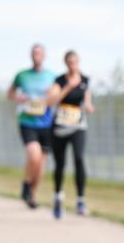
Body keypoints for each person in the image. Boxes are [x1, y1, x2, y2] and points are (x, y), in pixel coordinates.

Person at [46, 50, 95, 219]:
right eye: (69, 62)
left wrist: (89, 107)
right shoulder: (59, 81)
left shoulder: (85, 81)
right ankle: (58, 197)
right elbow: (51, 101)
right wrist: (68, 86)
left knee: (79, 158)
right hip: (59, 127)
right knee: (60, 164)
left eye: (75, 61)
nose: (73, 65)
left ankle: (81, 200)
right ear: (65, 63)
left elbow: (87, 101)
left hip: (78, 126)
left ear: (78, 61)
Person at [8, 44, 56, 209]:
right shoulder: (22, 75)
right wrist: (17, 97)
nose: (37, 55)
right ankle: (27, 183)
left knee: (41, 164)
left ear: (44, 55)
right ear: (31, 55)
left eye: (40, 53)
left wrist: (52, 94)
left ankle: (32, 195)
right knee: (34, 156)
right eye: (34, 53)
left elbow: (56, 97)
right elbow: (10, 93)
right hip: (27, 121)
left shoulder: (52, 76)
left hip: (46, 123)